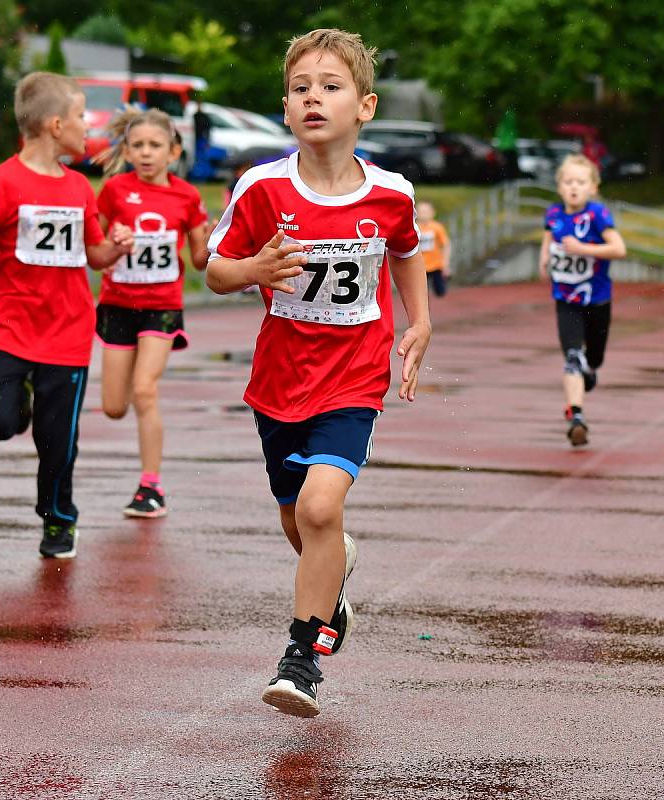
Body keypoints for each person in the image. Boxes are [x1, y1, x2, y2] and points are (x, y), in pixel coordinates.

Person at [206, 28, 431, 717]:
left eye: (331, 87)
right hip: (278, 381)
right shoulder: (261, 188)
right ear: (284, 109)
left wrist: (419, 320)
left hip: (353, 378)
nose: (314, 98)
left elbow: (405, 251)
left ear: (364, 106)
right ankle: (332, 586)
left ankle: (302, 657)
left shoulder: (390, 192)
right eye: (302, 87)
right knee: (297, 519)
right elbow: (216, 270)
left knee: (320, 507)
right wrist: (252, 270)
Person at [0, 71, 134, 558]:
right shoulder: (0, 184)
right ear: (55, 124)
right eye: (83, 117)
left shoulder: (80, 188)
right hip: (8, 332)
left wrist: (115, 248)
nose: (89, 127)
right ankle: (15, 397)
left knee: (57, 443)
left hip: (67, 336)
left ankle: (59, 520)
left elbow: (93, 254)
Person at [95, 107, 210, 517]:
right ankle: (148, 479)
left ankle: (151, 486)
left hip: (161, 306)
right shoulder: (113, 191)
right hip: (117, 304)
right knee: (113, 406)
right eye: (138, 146)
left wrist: (211, 239)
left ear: (173, 151)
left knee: (145, 389)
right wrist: (114, 244)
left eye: (155, 146)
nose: (146, 153)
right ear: (126, 150)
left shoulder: (187, 196)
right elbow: (94, 251)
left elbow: (199, 261)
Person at [539, 153, 626, 446]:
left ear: (593, 186)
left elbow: (619, 249)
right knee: (573, 357)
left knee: (594, 358)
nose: (573, 187)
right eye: (567, 181)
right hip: (566, 299)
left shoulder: (598, 215)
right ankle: (576, 415)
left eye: (580, 182)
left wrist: (583, 249)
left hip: (598, 300)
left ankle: (591, 370)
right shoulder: (553, 214)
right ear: (559, 186)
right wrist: (544, 259)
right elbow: (550, 237)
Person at [416, 200, 451, 297]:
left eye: (426, 212)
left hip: (436, 265)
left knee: (440, 292)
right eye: (421, 211)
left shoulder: (437, 227)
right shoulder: (414, 228)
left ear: (432, 213)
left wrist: (445, 264)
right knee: (421, 294)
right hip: (419, 266)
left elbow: (446, 245)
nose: (424, 214)